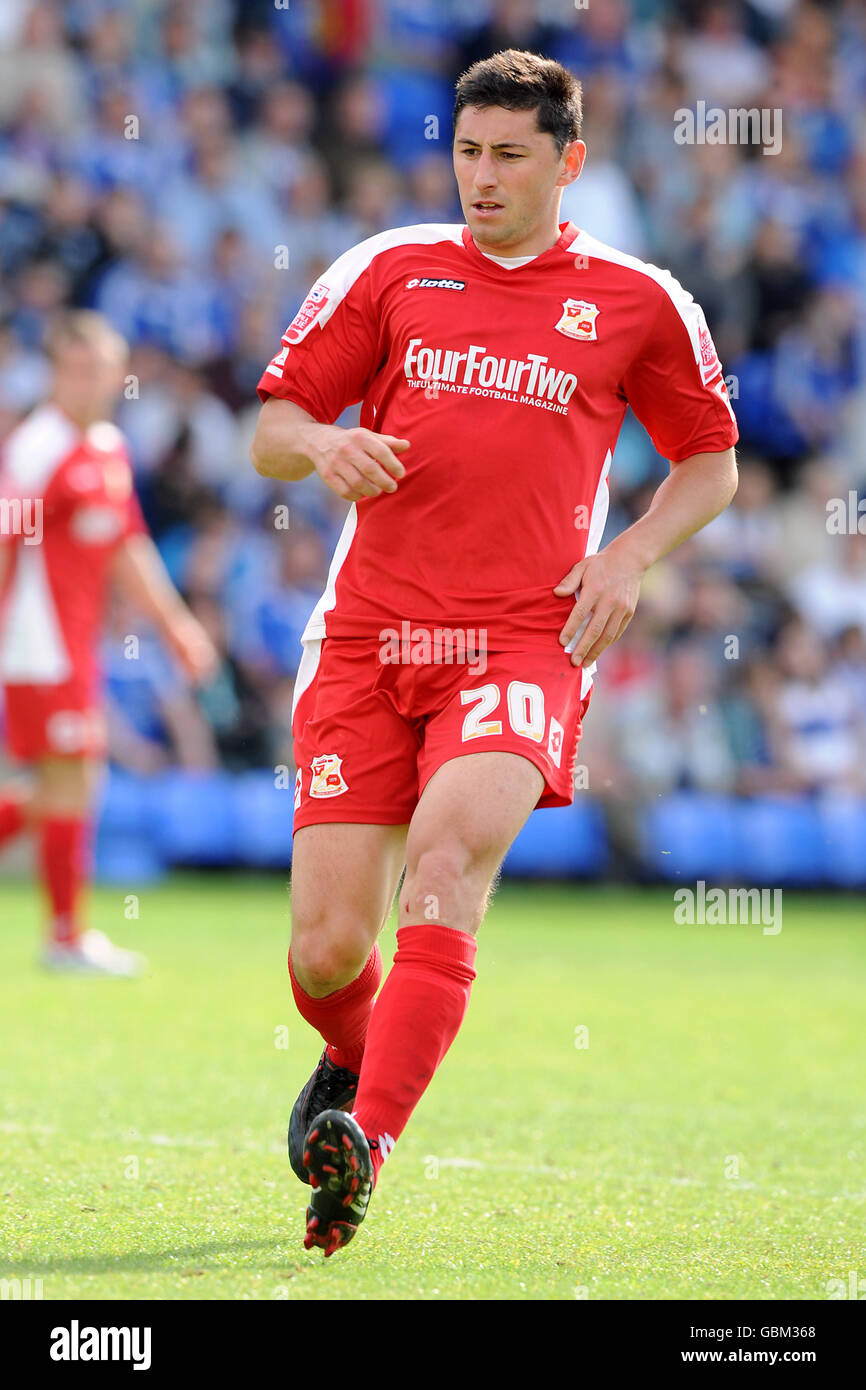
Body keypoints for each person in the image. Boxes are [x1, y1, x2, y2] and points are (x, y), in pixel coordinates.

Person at [250, 50, 739, 1256]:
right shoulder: (388, 268)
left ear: (566, 163)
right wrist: (318, 444)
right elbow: (267, 428)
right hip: (367, 636)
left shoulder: (638, 299)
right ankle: (352, 1052)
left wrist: (627, 556)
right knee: (324, 948)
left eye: (510, 155)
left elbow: (710, 461)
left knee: (447, 860)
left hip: (522, 639)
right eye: (467, 151)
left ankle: (369, 1143)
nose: (482, 176)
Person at [0, 310, 217, 975]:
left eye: (102, 369)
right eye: (78, 368)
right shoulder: (38, 448)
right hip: (35, 643)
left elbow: (127, 545)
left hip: (72, 643)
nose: (91, 381)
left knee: (68, 783)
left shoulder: (107, 447)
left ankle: (66, 936)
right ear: (56, 372)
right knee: (74, 779)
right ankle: (65, 938)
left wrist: (176, 624)